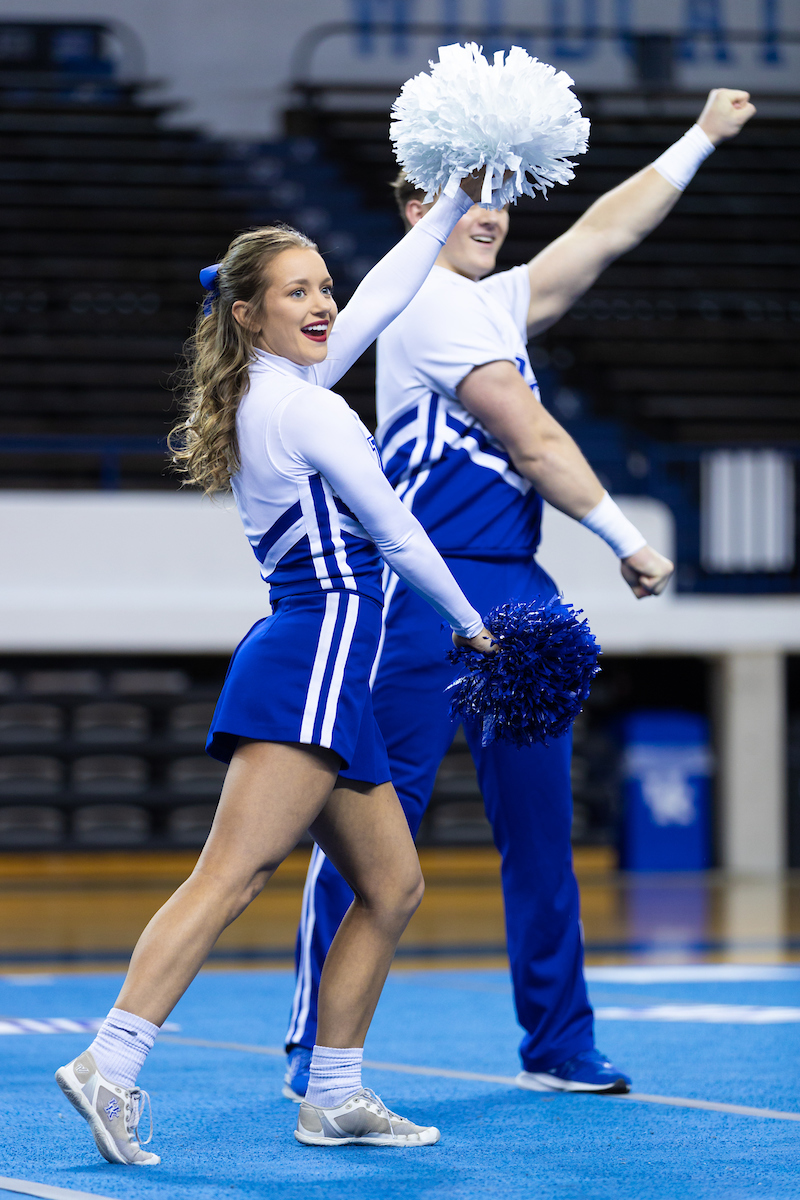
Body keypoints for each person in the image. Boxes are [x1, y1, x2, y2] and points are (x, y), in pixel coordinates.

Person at [284, 88, 756, 1098]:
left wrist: (698, 137)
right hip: (419, 589)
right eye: (469, 190)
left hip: (517, 592)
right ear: (417, 205)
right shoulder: (419, 300)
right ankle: (313, 1048)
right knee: (373, 831)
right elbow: (531, 438)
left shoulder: (493, 302)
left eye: (503, 191)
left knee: (541, 834)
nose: (491, 207)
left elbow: (603, 233)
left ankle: (557, 1044)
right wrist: (627, 538)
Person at [54, 174, 498, 1162]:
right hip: (313, 656)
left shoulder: (278, 389)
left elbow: (381, 295)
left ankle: (333, 1095)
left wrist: (436, 214)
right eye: (297, 292)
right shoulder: (310, 414)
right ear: (249, 314)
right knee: (233, 875)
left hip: (323, 662)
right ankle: (109, 1064)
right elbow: (395, 533)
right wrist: (473, 624)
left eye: (323, 287)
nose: (324, 304)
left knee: (392, 886)